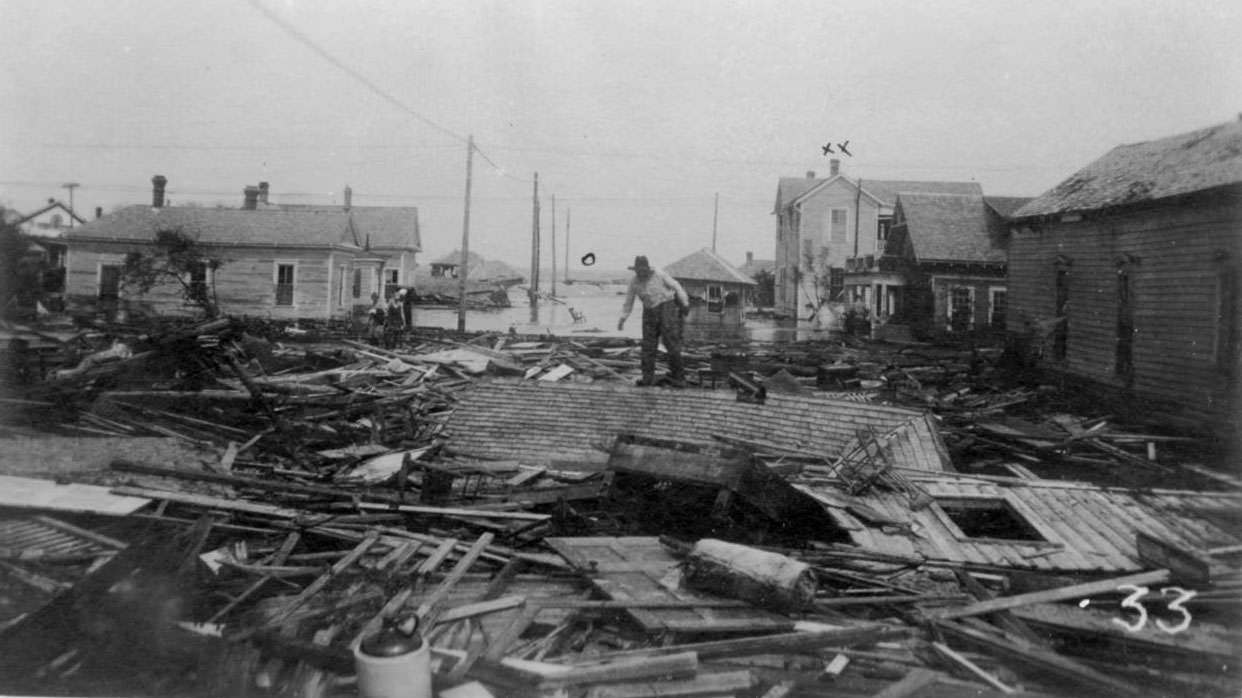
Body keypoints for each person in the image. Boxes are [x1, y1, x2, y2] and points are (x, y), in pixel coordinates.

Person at [617, 255, 689, 387]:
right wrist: (622, 319)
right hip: (649, 311)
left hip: (666, 306)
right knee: (648, 346)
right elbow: (628, 302)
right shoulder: (634, 282)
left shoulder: (659, 274)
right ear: (636, 270)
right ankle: (647, 378)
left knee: (671, 343)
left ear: (647, 268)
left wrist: (684, 303)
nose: (642, 273)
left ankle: (679, 378)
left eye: (644, 270)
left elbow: (676, 286)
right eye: (639, 271)